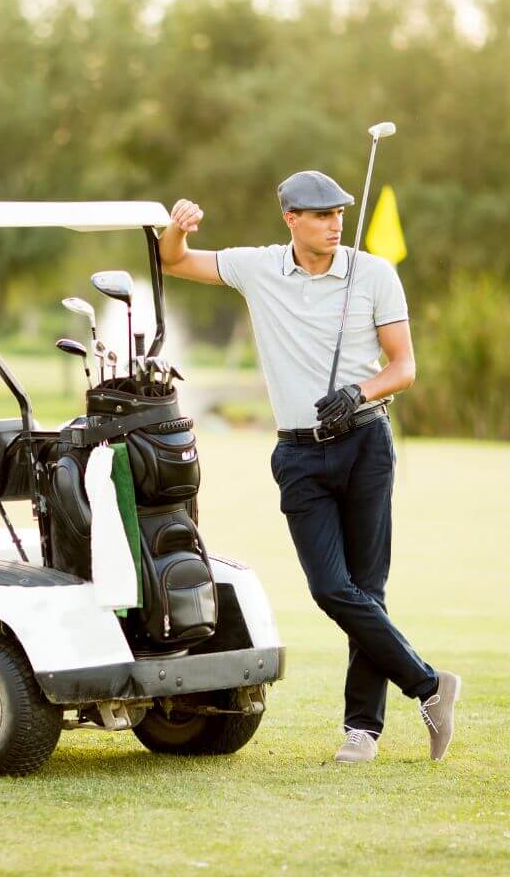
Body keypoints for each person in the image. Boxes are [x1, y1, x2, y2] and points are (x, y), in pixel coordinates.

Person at [159, 170, 460, 763]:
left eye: (339, 214)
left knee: (367, 589)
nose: (334, 224)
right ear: (290, 219)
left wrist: (359, 392)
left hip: (366, 441)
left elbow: (403, 367)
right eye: (321, 215)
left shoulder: (374, 274)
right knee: (331, 587)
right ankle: (429, 685)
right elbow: (176, 262)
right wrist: (176, 228)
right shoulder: (258, 267)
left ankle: (362, 732)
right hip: (298, 452)